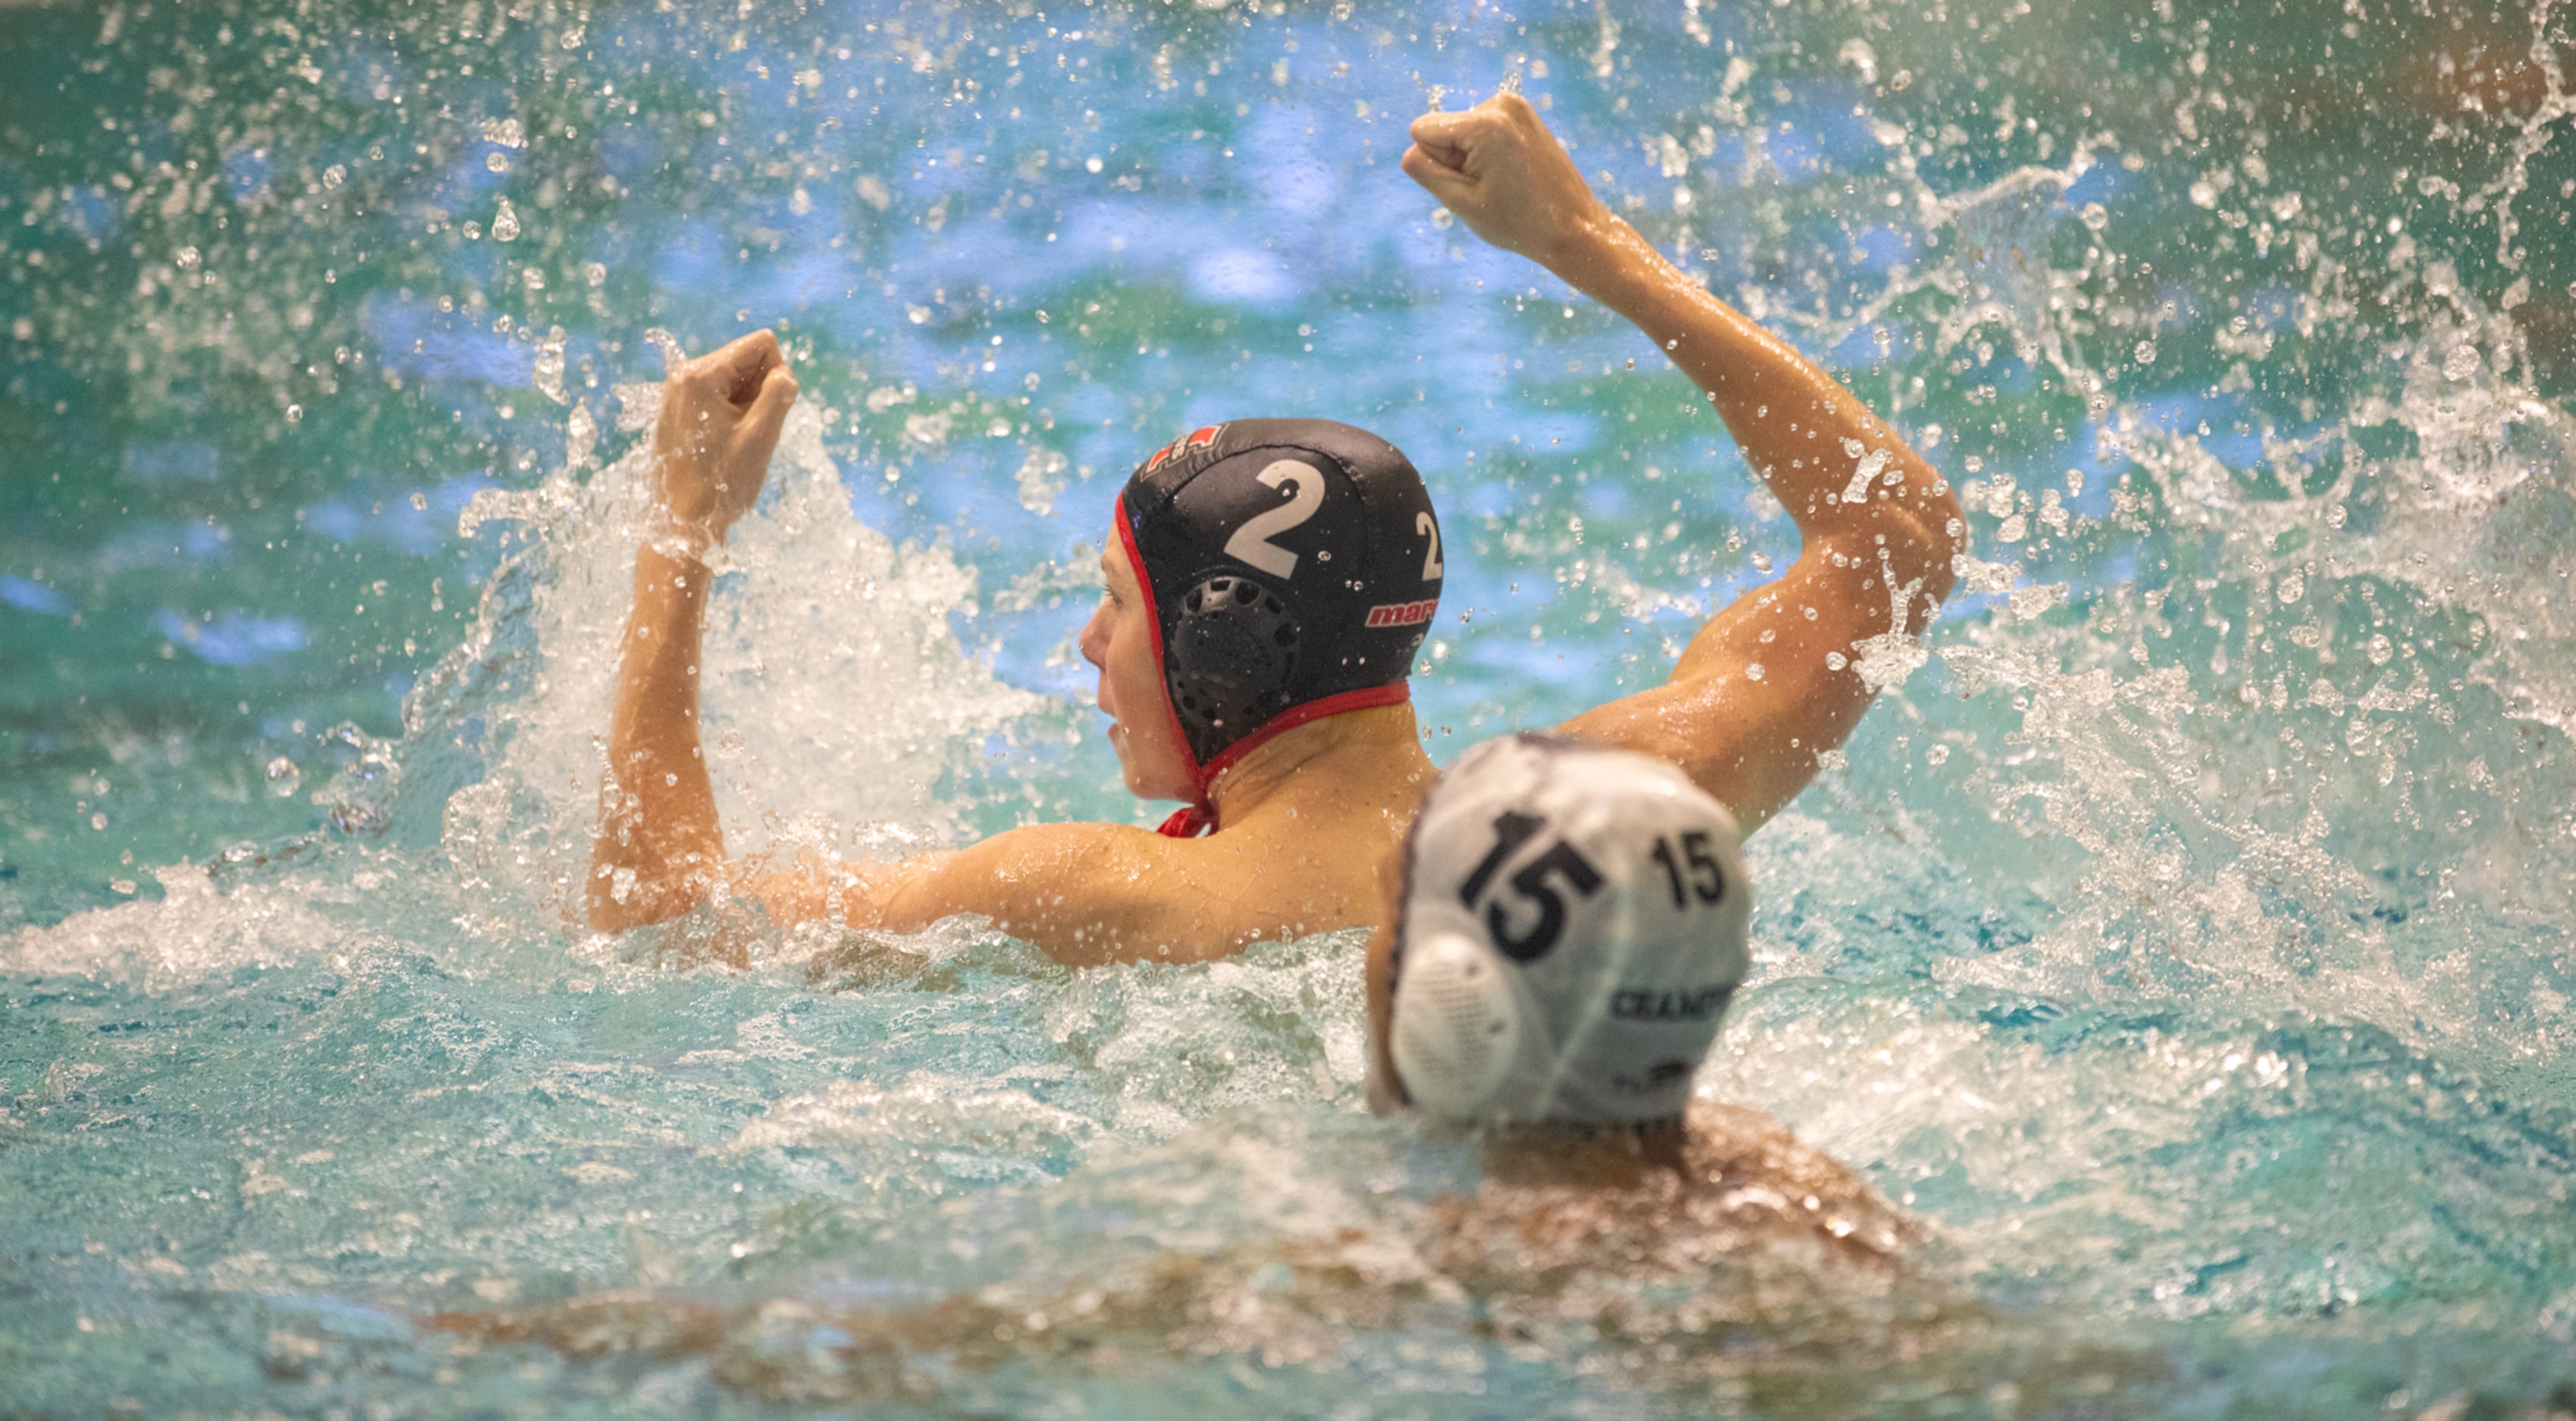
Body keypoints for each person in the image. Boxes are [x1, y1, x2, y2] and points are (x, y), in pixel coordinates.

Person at [586, 89, 1962, 964]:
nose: (1084, 642)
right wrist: (1584, 242)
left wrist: (682, 531)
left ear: (1219, 640)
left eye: (1116, 603)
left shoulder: (1098, 896)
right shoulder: (1592, 812)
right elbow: (1898, 537)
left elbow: (657, 918)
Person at [437, 742, 1928, 1393]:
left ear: (1457, 1010)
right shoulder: (1793, 1187)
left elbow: (893, 1346)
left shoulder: (1391, 1258)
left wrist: (490, 1340)